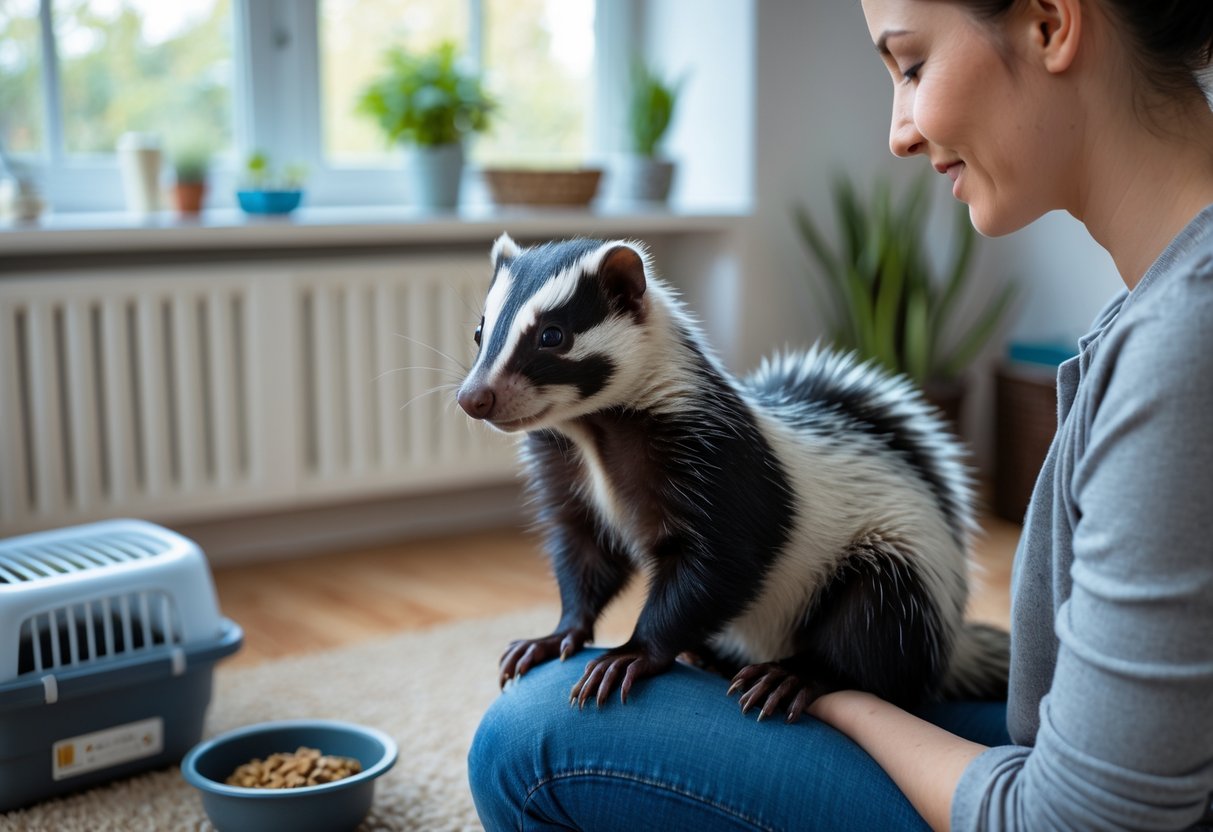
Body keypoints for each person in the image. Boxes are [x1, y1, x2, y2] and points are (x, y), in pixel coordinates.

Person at [466, 0, 1213, 828]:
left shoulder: (1181, 347)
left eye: (911, 65)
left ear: (1048, 23)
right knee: (573, 691)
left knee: (527, 740)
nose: (898, 132)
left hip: (885, 649)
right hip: (1067, 741)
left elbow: (1084, 822)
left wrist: (843, 702)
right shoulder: (1162, 310)